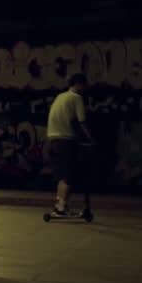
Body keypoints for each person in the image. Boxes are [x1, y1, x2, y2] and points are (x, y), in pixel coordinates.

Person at [46, 73, 93, 214]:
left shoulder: (60, 97)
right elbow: (82, 121)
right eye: (84, 84)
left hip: (52, 140)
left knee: (61, 176)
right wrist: (90, 139)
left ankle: (60, 206)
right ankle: (61, 207)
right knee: (70, 176)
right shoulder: (76, 98)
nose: (85, 87)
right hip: (65, 141)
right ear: (78, 84)